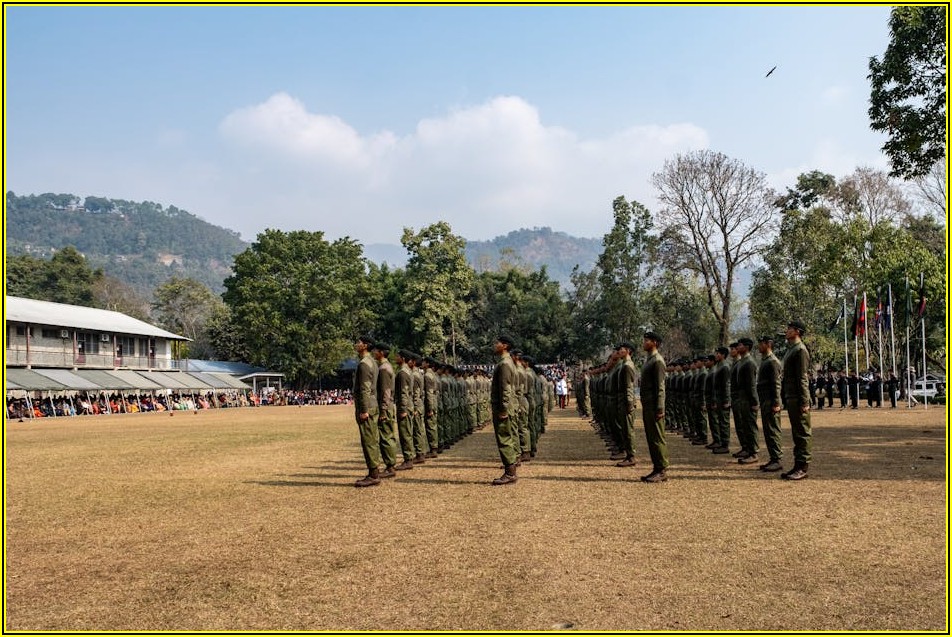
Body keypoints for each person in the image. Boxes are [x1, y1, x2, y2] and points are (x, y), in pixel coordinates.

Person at [781, 320, 812, 480]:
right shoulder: (791, 350)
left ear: (797, 331)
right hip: (791, 396)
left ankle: (803, 467)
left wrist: (805, 402)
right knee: (796, 433)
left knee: (803, 433)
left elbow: (802, 378)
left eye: (790, 329)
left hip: (798, 398)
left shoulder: (800, 350)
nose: (787, 331)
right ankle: (797, 465)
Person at [490, 335, 520, 485]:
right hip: (505, 407)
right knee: (505, 437)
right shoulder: (505, 362)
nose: (495, 345)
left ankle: (510, 473)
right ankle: (510, 470)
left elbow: (506, 389)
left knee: (504, 438)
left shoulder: (505, 364)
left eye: (498, 343)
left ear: (505, 346)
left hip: (503, 408)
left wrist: (503, 409)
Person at [352, 335, 382, 488]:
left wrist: (363, 410)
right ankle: (374, 471)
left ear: (365, 345)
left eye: (359, 342)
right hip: (373, 404)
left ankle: (373, 474)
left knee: (368, 440)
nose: (356, 344)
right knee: (372, 439)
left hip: (367, 406)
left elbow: (364, 388)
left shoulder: (364, 364)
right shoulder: (373, 363)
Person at [639, 331, 669, 483]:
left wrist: (660, 408)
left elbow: (660, 387)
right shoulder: (649, 360)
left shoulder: (657, 361)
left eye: (647, 341)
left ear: (655, 343)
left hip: (654, 405)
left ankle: (662, 469)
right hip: (648, 404)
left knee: (657, 437)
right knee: (652, 437)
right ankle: (656, 467)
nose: (644, 343)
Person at [756, 335, 784, 472]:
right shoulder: (765, 360)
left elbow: (776, 385)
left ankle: (777, 459)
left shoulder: (772, 361)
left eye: (761, 344)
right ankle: (773, 458)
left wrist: (776, 403)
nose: (759, 346)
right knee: (768, 431)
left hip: (770, 401)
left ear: (768, 344)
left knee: (773, 430)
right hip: (765, 400)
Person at [373, 342, 399, 478]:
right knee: (388, 435)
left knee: (386, 436)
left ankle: (390, 466)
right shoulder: (387, 366)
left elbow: (385, 391)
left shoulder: (383, 368)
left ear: (381, 352)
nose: (374, 352)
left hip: (386, 406)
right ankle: (391, 464)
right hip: (388, 405)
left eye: (376, 350)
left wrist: (383, 410)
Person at [733, 337, 760, 464]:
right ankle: (748, 449)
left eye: (740, 344)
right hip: (742, 399)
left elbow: (751, 385)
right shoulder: (742, 362)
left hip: (748, 400)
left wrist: (754, 402)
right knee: (745, 426)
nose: (738, 346)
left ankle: (754, 452)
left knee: (750, 426)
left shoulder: (749, 362)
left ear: (747, 347)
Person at [615, 342, 639, 468]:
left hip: (626, 401)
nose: (619, 351)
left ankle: (631, 456)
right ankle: (628, 454)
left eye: (621, 349)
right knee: (624, 429)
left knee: (628, 430)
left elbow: (629, 386)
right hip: (623, 400)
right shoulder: (624, 364)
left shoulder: (627, 366)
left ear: (628, 351)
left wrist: (630, 402)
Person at [394, 350, 417, 471]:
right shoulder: (408, 371)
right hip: (409, 405)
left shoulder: (403, 372)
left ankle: (408, 459)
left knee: (405, 434)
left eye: (397, 356)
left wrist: (402, 409)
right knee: (407, 432)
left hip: (405, 406)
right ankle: (409, 458)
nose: (395, 358)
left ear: (402, 358)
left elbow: (403, 392)